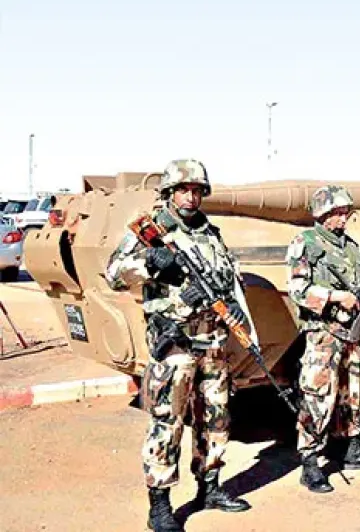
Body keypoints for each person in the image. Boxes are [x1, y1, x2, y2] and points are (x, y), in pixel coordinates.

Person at [105, 159, 252, 532]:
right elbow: (114, 273)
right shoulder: (153, 230)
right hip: (175, 343)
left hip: (213, 341)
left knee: (215, 418)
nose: (190, 197)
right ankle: (159, 505)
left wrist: (234, 304)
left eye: (196, 190)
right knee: (167, 422)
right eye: (183, 190)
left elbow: (228, 276)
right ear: (170, 193)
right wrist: (151, 264)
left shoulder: (209, 233)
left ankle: (210, 486)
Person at [285, 185, 360, 494]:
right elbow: (296, 289)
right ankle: (310, 462)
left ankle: (350, 449)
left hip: (351, 333)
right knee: (318, 395)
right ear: (323, 214)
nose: (344, 218)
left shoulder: (351, 248)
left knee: (352, 391)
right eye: (338, 213)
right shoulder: (305, 243)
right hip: (323, 333)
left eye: (346, 213)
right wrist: (333, 296)